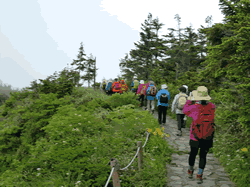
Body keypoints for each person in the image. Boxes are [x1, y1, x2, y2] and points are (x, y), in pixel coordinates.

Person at [183, 86, 215, 184]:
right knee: (203, 156)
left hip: (195, 136)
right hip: (207, 136)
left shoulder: (194, 107)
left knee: (192, 154)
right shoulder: (212, 107)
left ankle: (190, 171)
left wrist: (189, 100)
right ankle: (200, 175)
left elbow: (185, 110)